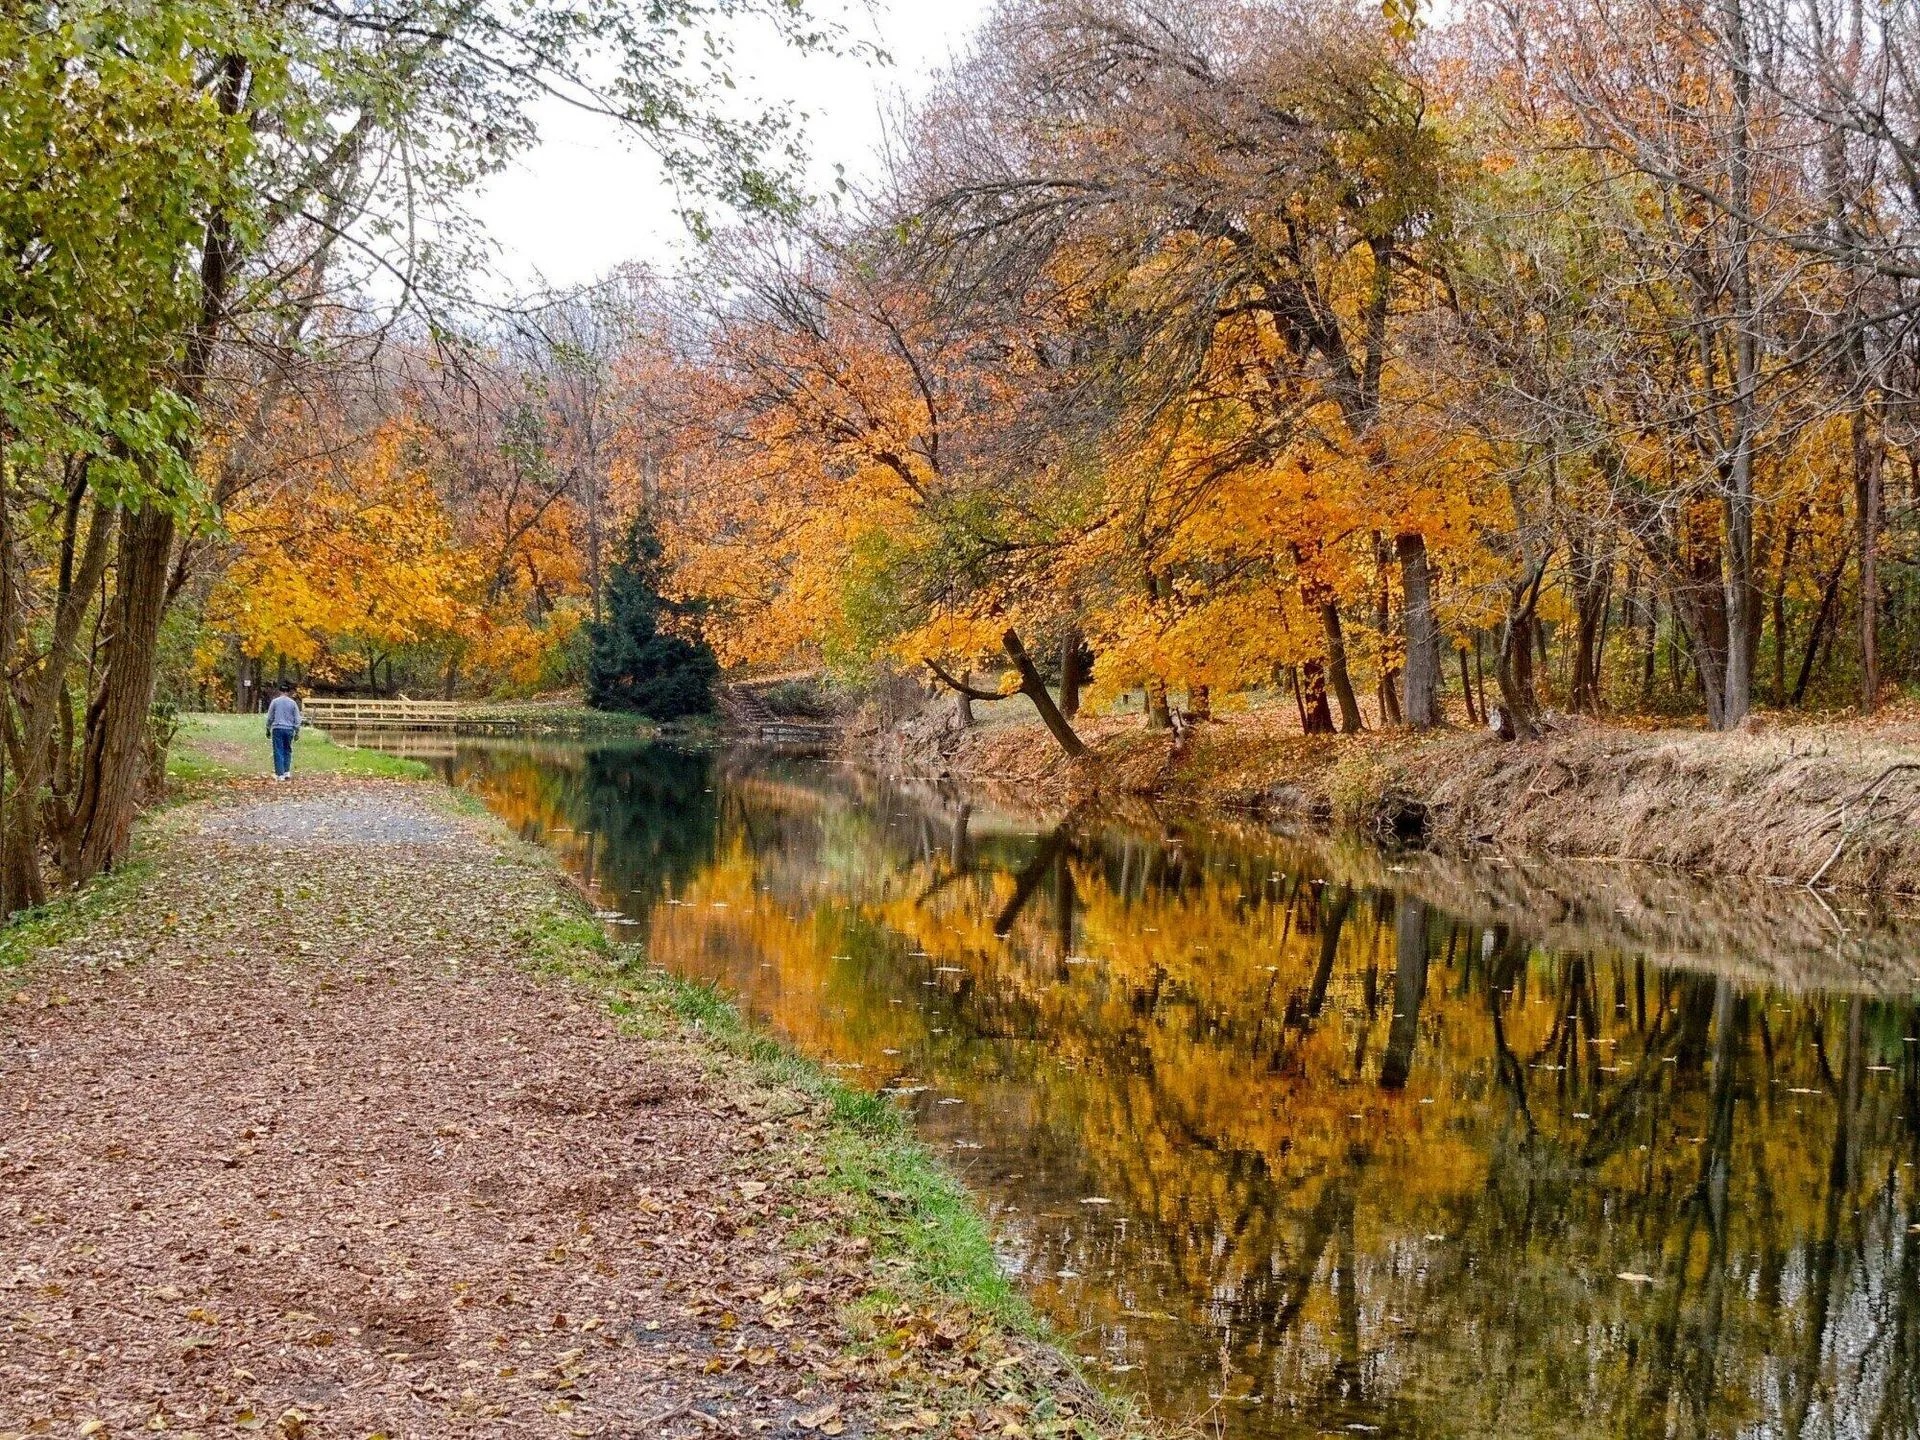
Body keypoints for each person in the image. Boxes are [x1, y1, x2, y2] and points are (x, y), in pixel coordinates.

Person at [266, 682, 303, 780]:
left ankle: (280, 774)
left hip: (277, 728)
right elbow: (297, 718)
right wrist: (297, 731)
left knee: (278, 750)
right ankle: (286, 771)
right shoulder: (293, 703)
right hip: (289, 729)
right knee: (288, 750)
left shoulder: (275, 702)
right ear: (288, 692)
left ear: (280, 691)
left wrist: (268, 728)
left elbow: (270, 717)